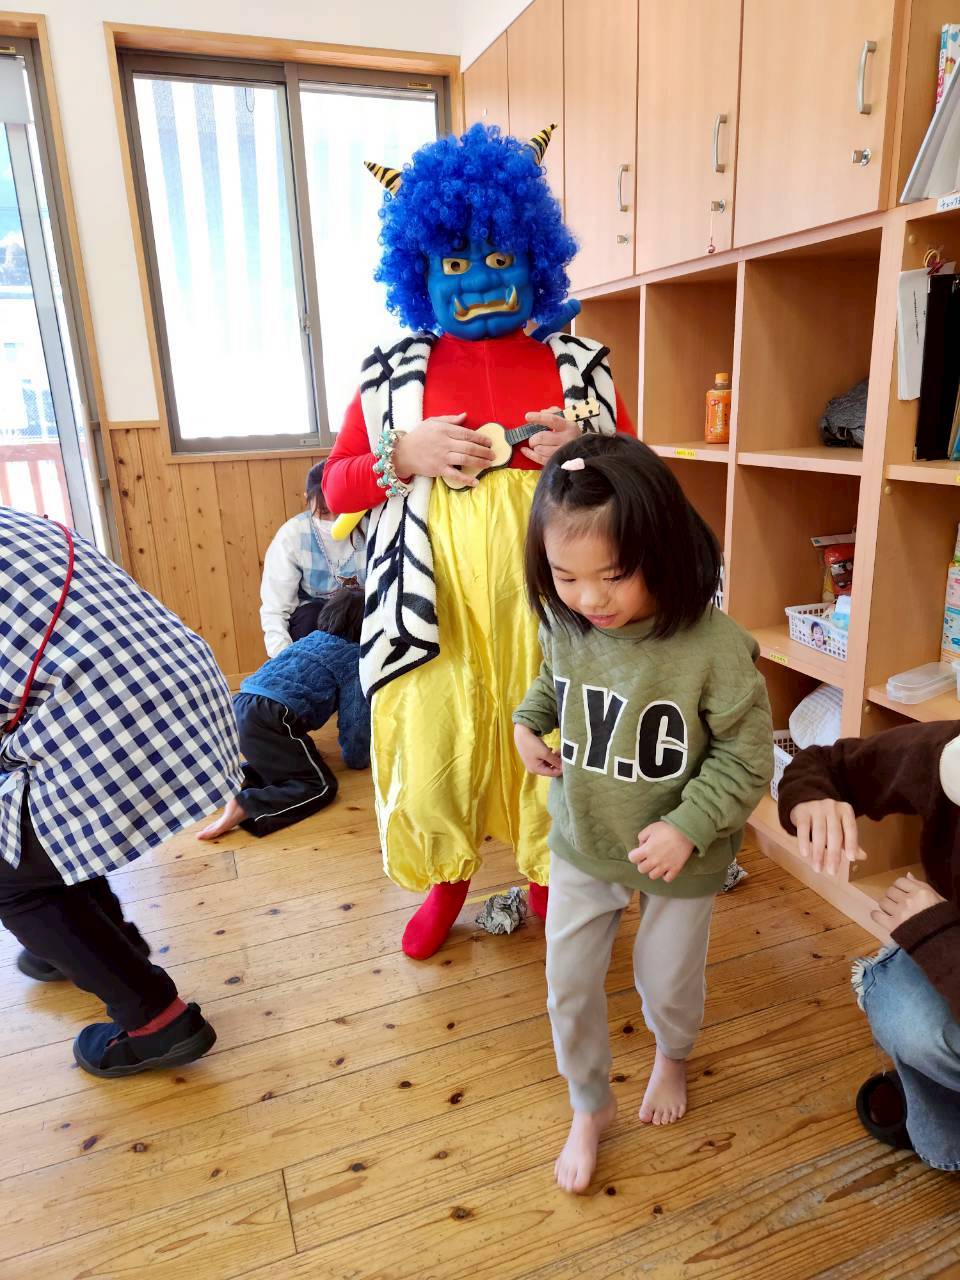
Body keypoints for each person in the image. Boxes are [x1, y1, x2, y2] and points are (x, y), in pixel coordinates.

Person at [322, 122, 636, 960]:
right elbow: (334, 487)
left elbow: (643, 484)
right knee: (437, 749)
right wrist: (401, 455)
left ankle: (550, 880)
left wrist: (590, 449)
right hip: (433, 610)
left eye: (501, 257)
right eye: (455, 265)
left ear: (536, 257)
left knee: (557, 743)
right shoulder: (392, 374)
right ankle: (446, 882)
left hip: (558, 608)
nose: (483, 280)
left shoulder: (582, 366)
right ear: (419, 273)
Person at [512, 434, 773, 1194]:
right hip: (585, 835)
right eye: (565, 577)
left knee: (667, 982)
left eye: (614, 576)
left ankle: (673, 1054)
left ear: (662, 548)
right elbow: (551, 682)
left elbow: (749, 756)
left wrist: (688, 826)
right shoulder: (566, 623)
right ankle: (589, 1103)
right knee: (567, 983)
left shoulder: (713, 647)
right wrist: (529, 722)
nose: (590, 599)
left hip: (683, 851)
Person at [0, 507, 241, 1077]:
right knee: (42, 823)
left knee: (9, 872)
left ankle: (155, 1020)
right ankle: (97, 943)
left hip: (110, 725)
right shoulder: (17, 521)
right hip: (194, 689)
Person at [778, 719, 960, 1172]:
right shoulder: (946, 753)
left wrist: (935, 935)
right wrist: (812, 798)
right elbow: (826, 763)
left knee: (910, 1012)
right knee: (908, 1010)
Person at [198, 587, 369, 841]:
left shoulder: (310, 639)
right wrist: (357, 758)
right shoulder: (354, 659)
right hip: (272, 714)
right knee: (319, 786)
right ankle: (248, 805)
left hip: (240, 704)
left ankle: (229, 781)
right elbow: (355, 718)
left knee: (283, 763)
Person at [260, 461, 364, 658]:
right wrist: (283, 658)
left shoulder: (369, 526)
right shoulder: (293, 535)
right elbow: (275, 609)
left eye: (340, 510)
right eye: (324, 512)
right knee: (311, 613)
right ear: (308, 499)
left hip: (358, 619)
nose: (333, 519)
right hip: (313, 624)